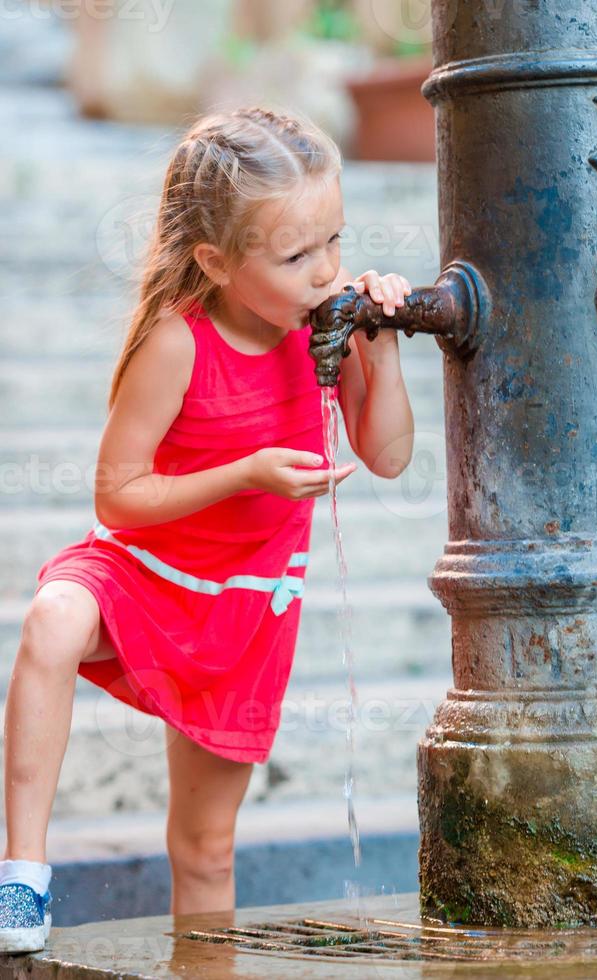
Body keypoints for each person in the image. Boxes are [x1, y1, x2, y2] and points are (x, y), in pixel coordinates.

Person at [0, 106, 415, 952]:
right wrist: (248, 471)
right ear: (215, 262)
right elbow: (119, 497)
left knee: (206, 848)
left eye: (334, 242)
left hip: (242, 606)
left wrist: (386, 348)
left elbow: (392, 456)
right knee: (51, 621)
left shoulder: (325, 331)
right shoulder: (176, 343)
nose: (326, 269)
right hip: (144, 572)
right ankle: (23, 874)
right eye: (297, 255)